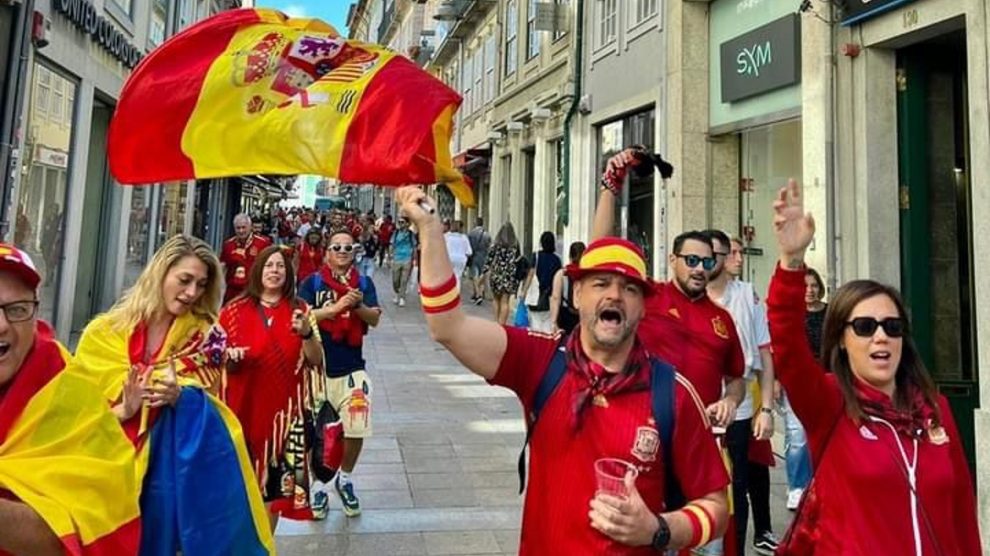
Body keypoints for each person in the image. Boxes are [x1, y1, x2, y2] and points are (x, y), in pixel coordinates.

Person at [396, 186, 730, 555]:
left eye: (629, 288)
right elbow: (448, 326)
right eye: (600, 283)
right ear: (578, 294)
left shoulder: (673, 393)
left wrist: (659, 528)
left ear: (643, 306)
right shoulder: (541, 361)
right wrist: (429, 227)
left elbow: (716, 506)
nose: (614, 296)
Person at [768, 180, 983, 555]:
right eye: (865, 327)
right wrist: (792, 262)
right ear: (841, 340)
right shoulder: (829, 402)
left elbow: (962, 512)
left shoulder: (936, 408)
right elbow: (786, 343)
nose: (880, 337)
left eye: (892, 326)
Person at [75, 235, 274, 555]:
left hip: (171, 483)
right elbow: (75, 415)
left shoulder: (207, 337)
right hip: (107, 477)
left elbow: (216, 407)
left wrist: (182, 397)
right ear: (159, 274)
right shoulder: (102, 334)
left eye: (201, 284)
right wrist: (125, 410)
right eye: (184, 280)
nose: (192, 292)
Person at [596, 148, 745, 555]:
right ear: (673, 260)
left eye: (707, 261)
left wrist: (731, 402)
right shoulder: (648, 297)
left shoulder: (723, 320)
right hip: (644, 441)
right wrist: (611, 187)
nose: (699, 267)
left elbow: (736, 381)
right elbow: (602, 254)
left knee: (705, 539)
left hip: (702, 448)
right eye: (691, 259)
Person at [0, 244, 140, 555]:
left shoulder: (68, 392)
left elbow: (83, 535)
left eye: (17, 309)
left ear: (35, 314)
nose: (2, 325)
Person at [219, 245, 326, 526]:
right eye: (268, 265)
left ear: (288, 273)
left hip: (284, 421)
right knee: (236, 492)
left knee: (272, 495)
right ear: (258, 271)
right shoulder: (232, 311)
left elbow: (315, 359)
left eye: (280, 266)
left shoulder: (301, 310)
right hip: (241, 413)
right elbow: (214, 360)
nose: (274, 271)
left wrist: (305, 333)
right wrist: (229, 358)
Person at [298, 230, 382, 517]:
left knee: (356, 427)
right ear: (327, 253)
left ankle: (344, 479)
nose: (343, 251)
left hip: (352, 369)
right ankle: (319, 485)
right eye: (337, 247)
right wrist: (335, 308)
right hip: (317, 369)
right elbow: (301, 316)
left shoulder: (364, 283)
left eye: (348, 247)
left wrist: (356, 305)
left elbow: (375, 318)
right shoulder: (313, 283)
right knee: (317, 432)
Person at [705, 230, 778, 556]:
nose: (737, 258)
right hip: (698, 403)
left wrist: (767, 408)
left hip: (741, 403)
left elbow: (764, 353)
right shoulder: (690, 298)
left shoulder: (747, 295)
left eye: (737, 252)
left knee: (738, 482)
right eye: (730, 252)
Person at [221, 213, 273, 304]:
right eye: (238, 228)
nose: (241, 231)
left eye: (243, 227)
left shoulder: (263, 244)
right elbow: (223, 267)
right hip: (232, 293)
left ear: (250, 227)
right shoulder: (228, 245)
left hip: (254, 291)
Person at [521, 231, 562, 333]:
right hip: (550, 298)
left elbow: (530, 275)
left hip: (536, 296)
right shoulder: (557, 260)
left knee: (535, 324)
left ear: (541, 242)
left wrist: (524, 291)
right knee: (547, 326)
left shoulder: (536, 256)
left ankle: (536, 345)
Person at [483, 222, 522, 325]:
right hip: (509, 276)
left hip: (496, 274)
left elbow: (489, 260)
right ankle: (502, 324)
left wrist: (485, 271)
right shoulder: (515, 244)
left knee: (496, 299)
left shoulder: (495, 244)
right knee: (505, 301)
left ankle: (496, 321)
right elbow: (518, 260)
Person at [549, 241, 585, 335]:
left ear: (570, 256)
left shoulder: (562, 274)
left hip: (566, 316)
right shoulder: (587, 275)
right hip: (584, 315)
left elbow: (556, 298)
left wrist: (553, 322)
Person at [390, 217, 417, 307]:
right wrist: (390, 256)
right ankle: (397, 293)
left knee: (404, 279)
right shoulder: (396, 233)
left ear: (407, 224)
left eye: (402, 222)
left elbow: (414, 247)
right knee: (395, 279)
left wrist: (414, 259)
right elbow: (391, 244)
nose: (400, 224)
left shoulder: (411, 234)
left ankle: (402, 297)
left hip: (407, 258)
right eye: (399, 222)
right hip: (397, 258)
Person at [467, 218, 492, 304]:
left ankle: (478, 295)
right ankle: (479, 293)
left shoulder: (471, 234)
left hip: (474, 257)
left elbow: (469, 247)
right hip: (484, 257)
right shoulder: (487, 235)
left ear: (475, 223)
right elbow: (489, 247)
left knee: (475, 276)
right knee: (482, 276)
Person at [443, 220, 472, 288]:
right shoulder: (464, 237)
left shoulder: (446, 236)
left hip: (448, 258)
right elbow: (469, 252)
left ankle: (448, 293)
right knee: (457, 277)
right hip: (461, 260)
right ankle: (456, 293)